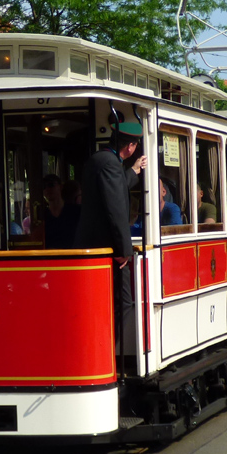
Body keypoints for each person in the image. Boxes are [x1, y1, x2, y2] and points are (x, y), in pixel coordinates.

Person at [76, 121, 147, 350]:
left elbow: (113, 188)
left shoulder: (100, 160)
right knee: (123, 303)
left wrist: (133, 171)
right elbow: (115, 209)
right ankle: (112, 353)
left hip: (93, 245)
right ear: (131, 147)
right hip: (108, 248)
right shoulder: (110, 164)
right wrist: (124, 252)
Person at [42, 174, 81, 249]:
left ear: (60, 187)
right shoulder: (42, 216)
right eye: (43, 187)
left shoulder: (76, 212)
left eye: (51, 185)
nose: (47, 189)